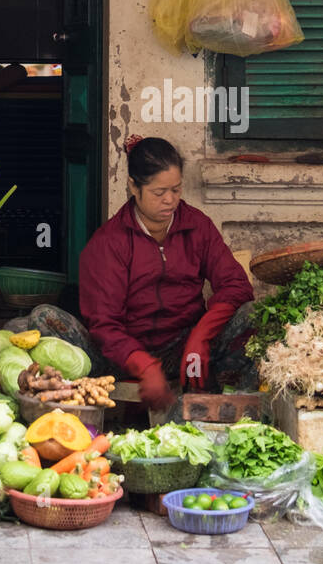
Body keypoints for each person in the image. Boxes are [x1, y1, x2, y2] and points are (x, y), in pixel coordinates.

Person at [25, 136, 256, 410]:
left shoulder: (197, 226)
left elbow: (237, 286)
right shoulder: (109, 242)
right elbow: (104, 323)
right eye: (159, 193)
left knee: (253, 314)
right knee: (43, 317)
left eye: (177, 189)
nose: (170, 200)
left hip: (184, 346)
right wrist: (143, 365)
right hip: (120, 356)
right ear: (134, 186)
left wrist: (200, 337)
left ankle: (222, 407)